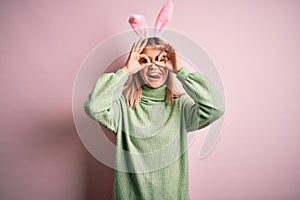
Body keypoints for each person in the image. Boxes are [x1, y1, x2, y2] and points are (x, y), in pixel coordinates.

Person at [84, 37, 225, 200]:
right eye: (145, 61)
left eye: (161, 59)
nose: (153, 66)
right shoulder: (123, 106)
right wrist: (126, 70)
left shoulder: (181, 106)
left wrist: (180, 71)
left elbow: (215, 109)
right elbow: (94, 107)